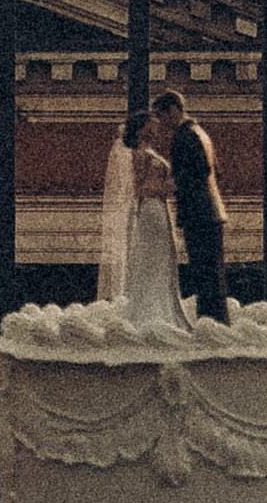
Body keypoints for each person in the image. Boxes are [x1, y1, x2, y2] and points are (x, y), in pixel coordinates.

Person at [97, 111, 193, 334]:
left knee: (161, 258)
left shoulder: (150, 153)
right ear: (141, 130)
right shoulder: (141, 155)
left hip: (159, 208)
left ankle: (163, 309)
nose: (156, 129)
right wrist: (171, 186)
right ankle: (150, 313)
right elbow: (139, 189)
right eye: (152, 126)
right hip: (152, 210)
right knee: (153, 258)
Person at [152, 89, 228, 321]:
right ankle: (216, 320)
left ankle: (209, 322)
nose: (161, 124)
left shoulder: (185, 136)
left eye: (161, 116)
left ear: (173, 109)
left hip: (199, 212)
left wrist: (171, 185)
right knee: (212, 271)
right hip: (210, 209)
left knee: (204, 271)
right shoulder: (200, 132)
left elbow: (198, 171)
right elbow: (216, 171)